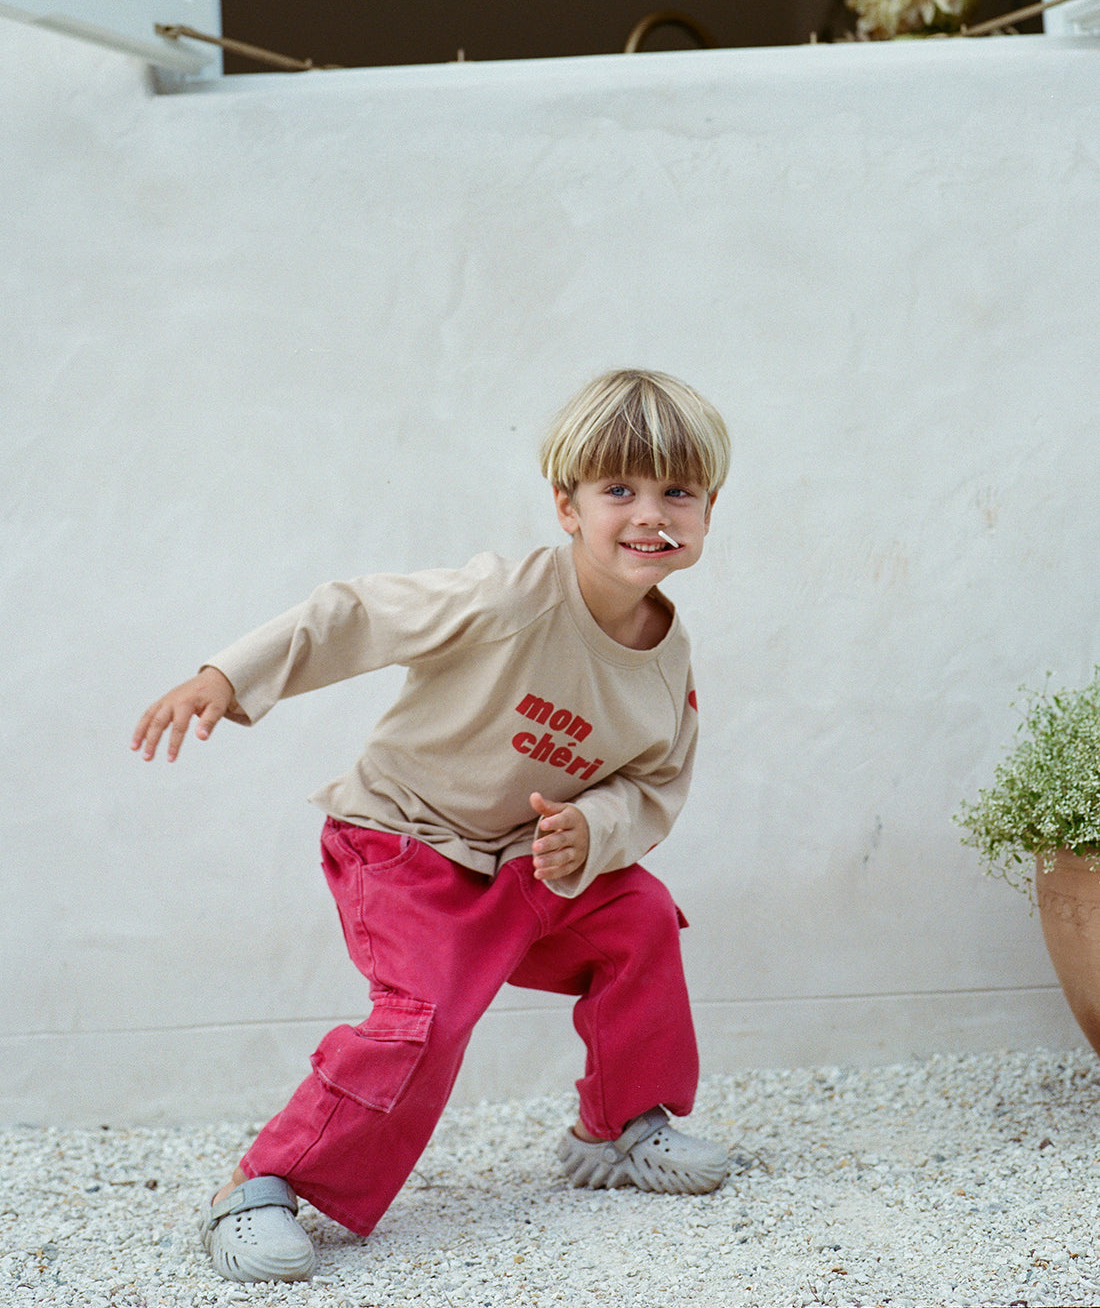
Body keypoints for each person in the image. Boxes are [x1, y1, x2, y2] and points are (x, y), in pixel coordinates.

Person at [132, 368, 731, 1284]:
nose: (649, 513)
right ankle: (259, 1187)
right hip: (404, 844)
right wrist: (229, 677)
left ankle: (620, 1128)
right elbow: (357, 614)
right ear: (567, 507)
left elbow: (656, 779)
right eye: (619, 489)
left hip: (522, 863)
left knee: (639, 918)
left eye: (675, 492)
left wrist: (594, 830)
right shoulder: (507, 599)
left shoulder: (668, 652)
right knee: (427, 1017)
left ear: (707, 508)